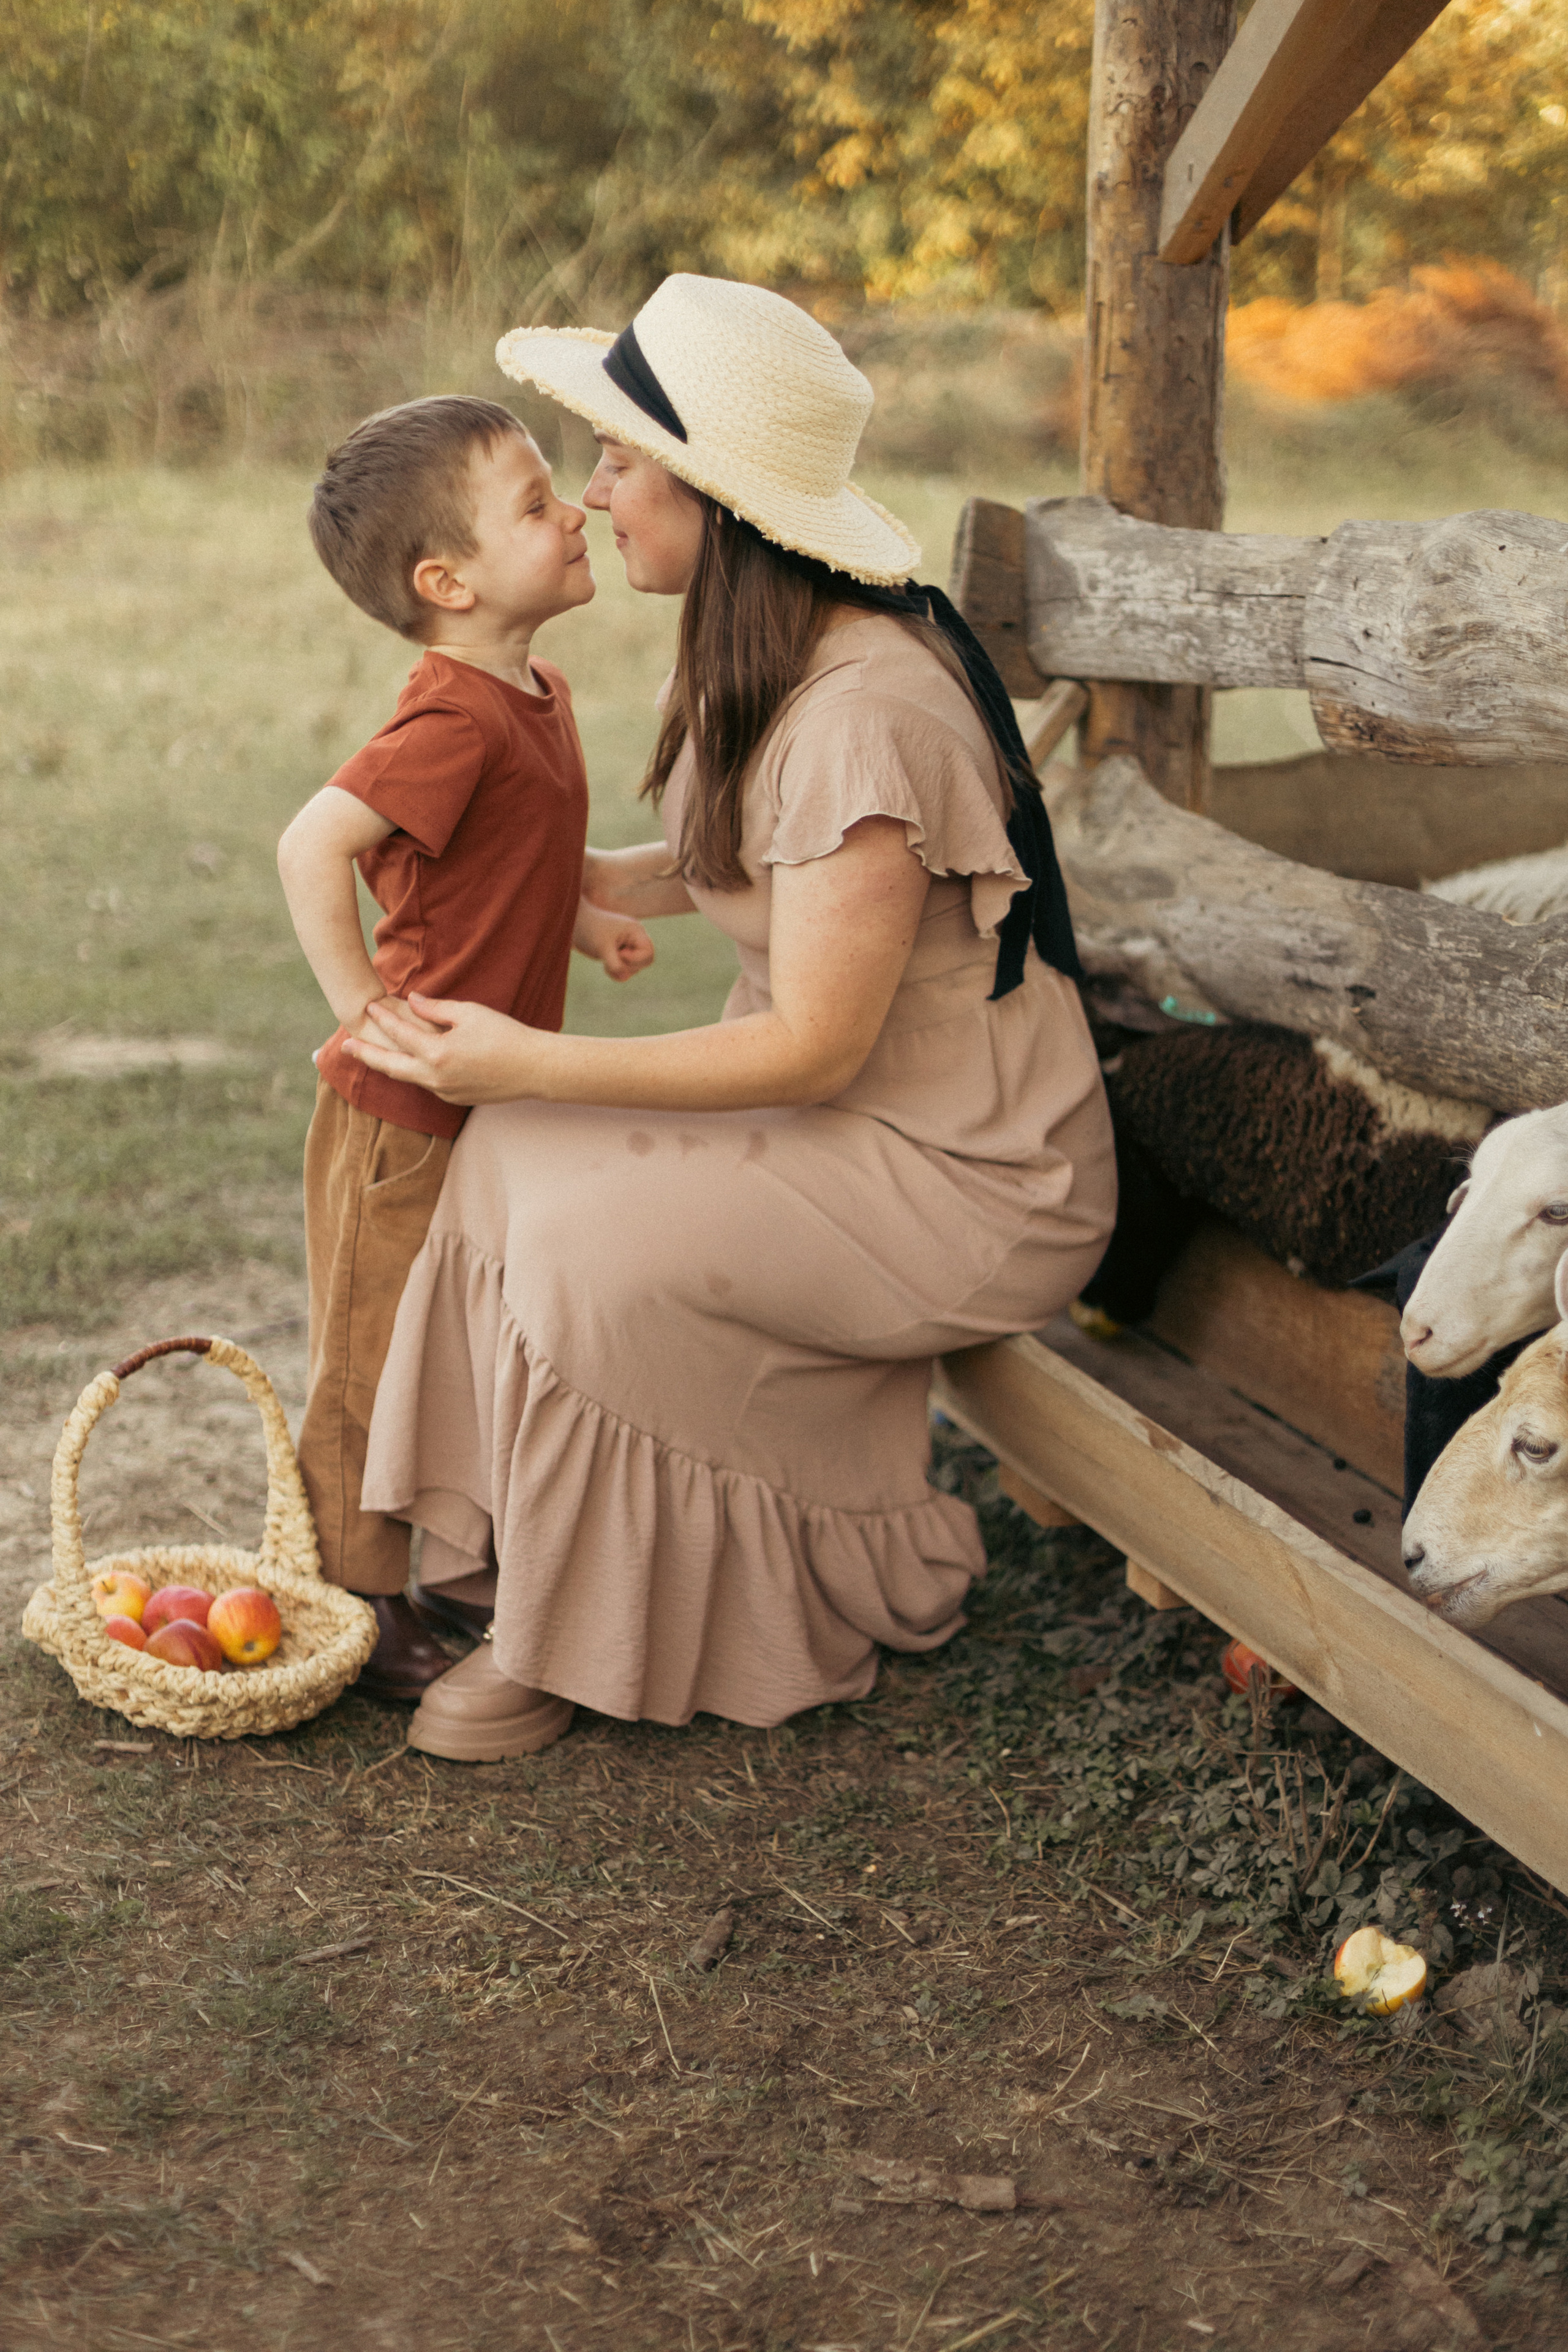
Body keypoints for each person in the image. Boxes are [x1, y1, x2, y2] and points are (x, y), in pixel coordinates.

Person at [347, 276, 1117, 1759]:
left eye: (624, 461)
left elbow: (816, 1040)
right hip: (847, 1120)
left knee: (582, 1229)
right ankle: (535, 1552)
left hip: (964, 1172)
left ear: (715, 494)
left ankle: (574, 1631)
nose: (595, 494)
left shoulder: (866, 714)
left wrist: (536, 1054)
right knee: (506, 1151)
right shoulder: (768, 647)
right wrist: (558, 877)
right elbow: (754, 869)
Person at [277, 394, 653, 1702]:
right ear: (445, 582)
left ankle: (440, 1557)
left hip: (484, 1090)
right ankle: (358, 1599)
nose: (571, 515)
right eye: (535, 505)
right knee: (370, 1349)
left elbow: (505, 861)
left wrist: (590, 918)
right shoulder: (451, 715)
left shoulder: (531, 689)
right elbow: (311, 845)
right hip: (405, 1104)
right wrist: (357, 1007)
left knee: (462, 1333)